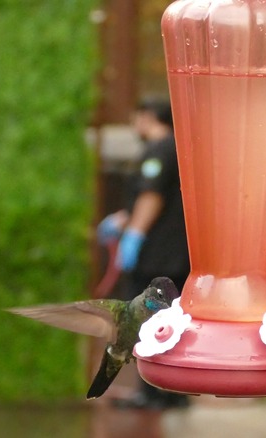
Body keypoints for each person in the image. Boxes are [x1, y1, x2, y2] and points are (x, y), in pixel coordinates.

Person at [97, 97, 190, 410]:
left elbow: (151, 197)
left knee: (145, 321)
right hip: (173, 254)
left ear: (148, 117)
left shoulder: (159, 149)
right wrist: (123, 219)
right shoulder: (176, 148)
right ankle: (170, 393)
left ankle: (155, 392)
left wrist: (134, 234)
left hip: (157, 256)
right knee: (171, 322)